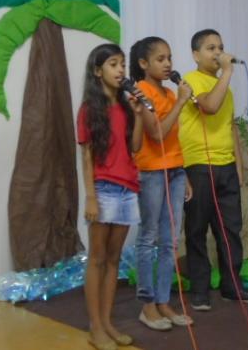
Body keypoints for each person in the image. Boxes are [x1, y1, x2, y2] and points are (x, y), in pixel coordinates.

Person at [179, 29, 248, 311]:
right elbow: (210, 107)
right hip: (198, 166)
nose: (218, 53)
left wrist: (238, 167)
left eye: (221, 47)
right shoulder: (190, 80)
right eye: (210, 48)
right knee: (196, 230)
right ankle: (200, 291)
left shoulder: (224, 87)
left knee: (230, 230)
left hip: (226, 166)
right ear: (195, 54)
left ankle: (232, 286)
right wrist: (227, 72)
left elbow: (230, 128)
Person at [77, 43, 144, 350]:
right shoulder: (90, 110)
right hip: (103, 189)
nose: (120, 70)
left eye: (122, 65)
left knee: (114, 259)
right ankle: (95, 327)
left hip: (128, 188)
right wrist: (90, 197)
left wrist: (140, 114)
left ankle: (107, 323)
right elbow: (87, 156)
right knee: (98, 258)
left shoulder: (127, 107)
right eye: (114, 64)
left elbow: (136, 147)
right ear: (97, 71)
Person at [129, 37, 194, 331]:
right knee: (148, 238)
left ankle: (164, 300)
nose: (168, 64)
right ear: (144, 64)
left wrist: (184, 174)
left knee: (170, 241)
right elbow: (156, 135)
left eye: (169, 57)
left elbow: (174, 140)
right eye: (160, 59)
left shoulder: (168, 93)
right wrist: (181, 101)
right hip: (151, 173)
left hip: (175, 172)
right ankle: (147, 306)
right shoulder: (142, 92)